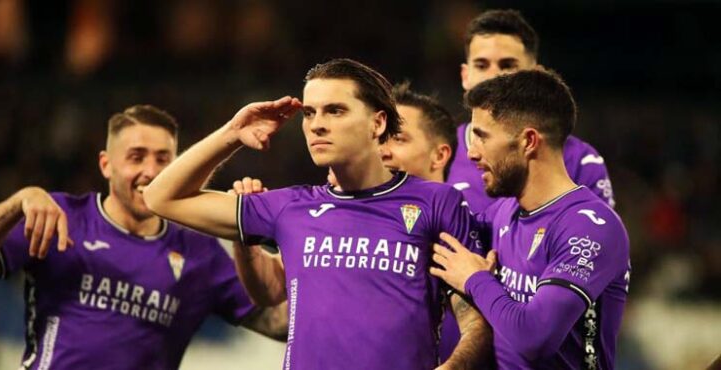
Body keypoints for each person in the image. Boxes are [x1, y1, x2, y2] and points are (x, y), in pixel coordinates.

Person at [144, 58, 492, 370]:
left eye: (335, 111)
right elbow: (161, 198)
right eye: (310, 113)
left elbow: (475, 316)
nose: (316, 125)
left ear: (377, 122)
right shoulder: (291, 207)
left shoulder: (436, 203)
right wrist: (232, 133)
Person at [0, 105, 287, 370]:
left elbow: (279, 323)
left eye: (163, 159)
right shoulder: (61, 217)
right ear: (106, 165)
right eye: (136, 157)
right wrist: (18, 203)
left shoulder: (200, 251)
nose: (150, 171)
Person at [431, 69, 630, 370]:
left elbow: (534, 337)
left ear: (528, 141)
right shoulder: (504, 212)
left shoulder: (590, 227)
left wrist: (475, 279)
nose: (471, 153)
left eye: (482, 137)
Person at [448, 9, 615, 213]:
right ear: (465, 76)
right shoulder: (443, 153)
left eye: (508, 65)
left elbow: (598, 238)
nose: (494, 76)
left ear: (535, 75)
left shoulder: (580, 159)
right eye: (482, 65)